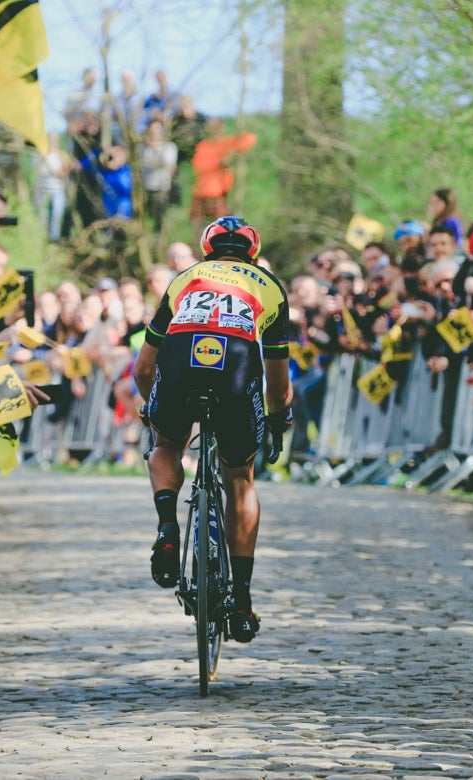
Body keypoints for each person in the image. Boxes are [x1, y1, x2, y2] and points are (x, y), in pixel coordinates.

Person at [133, 216, 292, 643]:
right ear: (253, 254)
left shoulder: (185, 278)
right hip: (237, 365)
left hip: (181, 359)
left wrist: (153, 410)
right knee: (239, 477)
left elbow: (144, 366)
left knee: (166, 446)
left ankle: (168, 527)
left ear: (207, 250)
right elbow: (277, 382)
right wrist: (279, 417)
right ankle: (241, 601)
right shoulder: (270, 285)